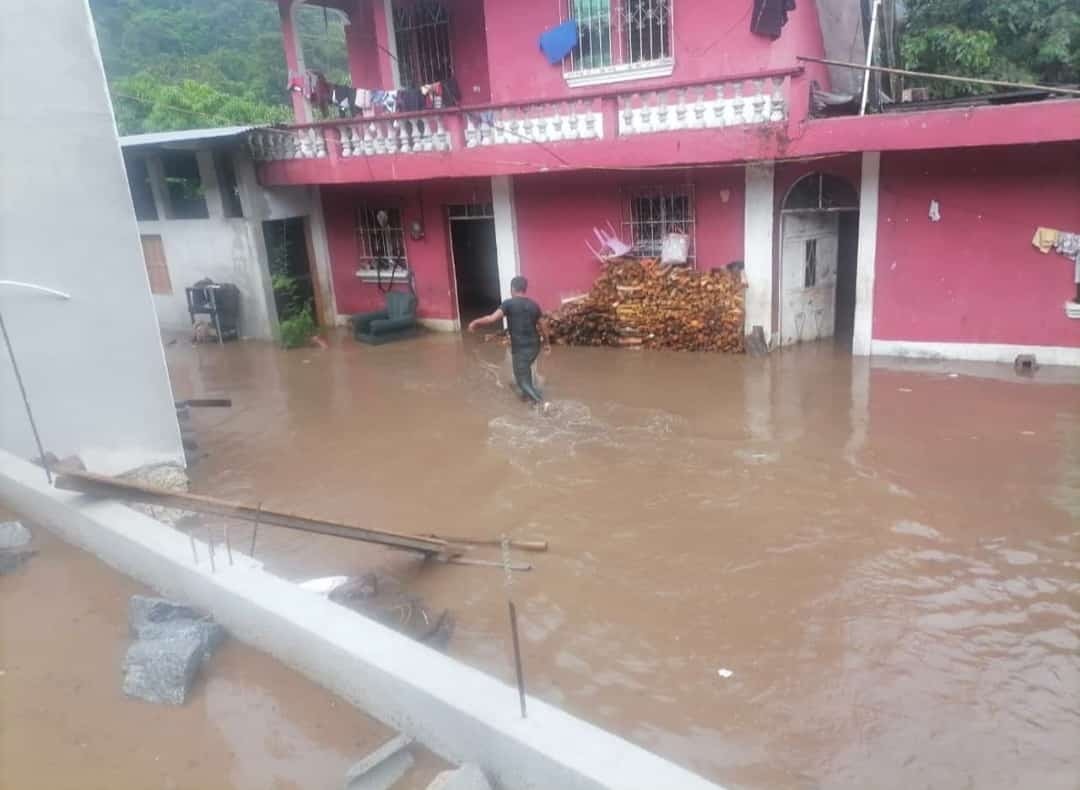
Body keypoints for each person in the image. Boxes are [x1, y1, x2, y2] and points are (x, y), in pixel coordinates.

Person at [469, 276, 550, 410]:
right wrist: (547, 344)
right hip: (534, 346)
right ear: (524, 289)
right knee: (526, 373)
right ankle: (526, 397)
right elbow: (544, 325)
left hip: (520, 348)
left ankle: (540, 403)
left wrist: (475, 322)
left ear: (512, 288)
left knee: (520, 380)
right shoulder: (534, 305)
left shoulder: (508, 304)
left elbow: (491, 319)